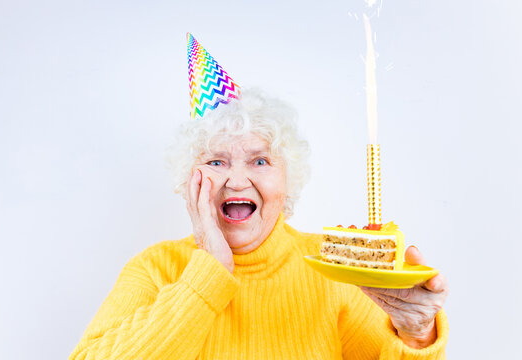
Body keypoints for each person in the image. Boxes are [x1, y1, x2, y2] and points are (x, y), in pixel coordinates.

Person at [69, 35, 448, 360]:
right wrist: (209, 273)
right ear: (191, 181)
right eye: (216, 161)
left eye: (260, 160)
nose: (235, 181)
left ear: (287, 178)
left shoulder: (335, 271)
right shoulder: (155, 269)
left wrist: (417, 335)